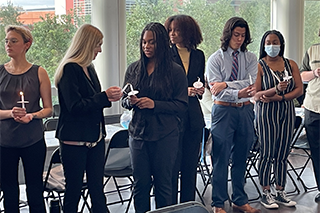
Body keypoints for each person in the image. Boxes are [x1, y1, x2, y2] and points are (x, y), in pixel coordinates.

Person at [54, 24, 122, 213]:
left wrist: (107, 97)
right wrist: (104, 97)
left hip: (95, 138)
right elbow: (74, 106)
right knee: (73, 192)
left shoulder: (89, 68)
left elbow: (92, 100)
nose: (100, 50)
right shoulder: (70, 69)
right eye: (97, 45)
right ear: (86, 45)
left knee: (97, 191)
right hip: (74, 140)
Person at [121, 22, 188, 213]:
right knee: (140, 186)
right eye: (143, 42)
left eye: (151, 42)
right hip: (138, 135)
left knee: (164, 186)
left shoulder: (175, 71)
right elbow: (123, 101)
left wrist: (154, 104)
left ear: (162, 43)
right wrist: (130, 102)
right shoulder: (133, 69)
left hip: (165, 135)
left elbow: (182, 105)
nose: (147, 46)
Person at [206, 17, 259, 213]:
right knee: (221, 158)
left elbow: (252, 84)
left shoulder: (251, 58)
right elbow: (215, 90)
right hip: (223, 111)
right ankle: (218, 203)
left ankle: (239, 199)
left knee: (241, 157)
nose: (239, 39)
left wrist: (227, 84)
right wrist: (238, 90)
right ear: (228, 35)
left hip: (245, 110)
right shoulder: (215, 59)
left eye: (243, 36)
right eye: (236, 35)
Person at [0, 25, 52, 212]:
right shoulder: (0, 72)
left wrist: (31, 115)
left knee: (35, 191)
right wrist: (10, 113)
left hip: (33, 140)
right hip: (4, 142)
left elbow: (48, 109)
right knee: (9, 192)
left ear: (26, 44)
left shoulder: (39, 72)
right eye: (6, 41)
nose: (8, 45)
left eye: (14, 41)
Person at [254, 30, 303, 209]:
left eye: (275, 42)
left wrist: (281, 97)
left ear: (281, 44)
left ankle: (280, 190)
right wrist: (274, 90)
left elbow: (299, 89)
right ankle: (266, 191)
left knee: (283, 152)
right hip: (266, 113)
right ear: (263, 44)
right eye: (268, 42)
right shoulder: (259, 65)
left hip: (287, 110)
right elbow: (256, 95)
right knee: (267, 152)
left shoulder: (291, 64)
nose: (272, 46)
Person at [164, 14, 205, 204]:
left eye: (176, 30)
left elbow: (199, 80)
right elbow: (162, 86)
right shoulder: (164, 54)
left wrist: (200, 88)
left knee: (190, 168)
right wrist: (183, 91)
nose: (172, 34)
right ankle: (170, 207)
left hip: (194, 117)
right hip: (172, 117)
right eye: (170, 30)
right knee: (172, 168)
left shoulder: (198, 55)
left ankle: (188, 205)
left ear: (187, 31)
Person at [300, 27, 320, 203]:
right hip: (313, 107)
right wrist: (314, 73)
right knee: (316, 151)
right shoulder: (312, 50)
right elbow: (301, 75)